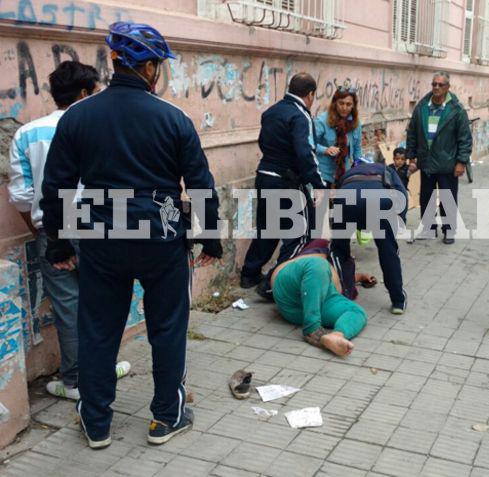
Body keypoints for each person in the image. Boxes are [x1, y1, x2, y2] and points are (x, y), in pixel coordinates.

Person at [40, 22, 223, 449]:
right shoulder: (173, 118)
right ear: (152, 68)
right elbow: (200, 185)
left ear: (116, 62)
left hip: (103, 236)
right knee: (168, 327)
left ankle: (97, 423)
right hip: (160, 234)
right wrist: (209, 238)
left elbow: (56, 186)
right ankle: (166, 418)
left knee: (100, 330)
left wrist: (59, 243)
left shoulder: (78, 116)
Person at [8, 61, 131, 401]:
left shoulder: (27, 134)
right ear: (83, 93)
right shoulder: (104, 127)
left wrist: (39, 230)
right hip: (102, 223)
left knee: (67, 305)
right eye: (94, 91)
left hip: (53, 226)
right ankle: (105, 369)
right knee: (105, 299)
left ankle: (76, 381)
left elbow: (21, 196)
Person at [239, 73, 326, 290]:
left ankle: (249, 274)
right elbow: (306, 153)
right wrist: (318, 185)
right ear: (310, 94)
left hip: (265, 177)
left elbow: (263, 142)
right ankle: (274, 282)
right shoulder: (300, 116)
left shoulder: (271, 111)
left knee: (267, 229)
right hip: (285, 183)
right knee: (298, 234)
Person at [331, 160, 408, 314]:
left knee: (339, 250)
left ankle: (342, 294)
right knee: (388, 250)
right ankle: (398, 301)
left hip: (346, 201)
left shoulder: (348, 172)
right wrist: (401, 220)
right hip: (379, 202)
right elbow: (402, 193)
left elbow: (337, 194)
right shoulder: (387, 170)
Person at [405, 72, 472, 244]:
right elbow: (412, 133)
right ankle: (428, 228)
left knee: (447, 197)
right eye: (434, 84)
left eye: (440, 85)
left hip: (447, 163)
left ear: (448, 87)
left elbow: (464, 138)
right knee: (426, 197)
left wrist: (461, 161)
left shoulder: (456, 109)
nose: (436, 87)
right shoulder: (421, 107)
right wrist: (411, 156)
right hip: (426, 161)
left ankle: (449, 230)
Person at [271, 249, 367, 357]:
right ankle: (312, 328)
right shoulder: (318, 254)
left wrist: (361, 277)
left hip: (304, 305)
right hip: (290, 290)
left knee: (357, 311)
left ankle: (337, 336)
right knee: (318, 264)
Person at [314, 87, 363, 186]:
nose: (344, 108)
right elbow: (309, 143)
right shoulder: (322, 121)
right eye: (341, 103)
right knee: (323, 201)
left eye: (348, 104)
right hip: (324, 175)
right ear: (335, 103)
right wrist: (325, 150)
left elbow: (357, 148)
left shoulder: (355, 123)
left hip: (345, 174)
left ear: (353, 106)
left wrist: (359, 167)